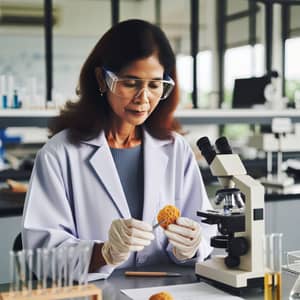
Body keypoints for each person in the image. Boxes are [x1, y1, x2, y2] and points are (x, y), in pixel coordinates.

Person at [22, 19, 216, 280]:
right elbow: (41, 255)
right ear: (103, 79)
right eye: (131, 83)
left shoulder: (175, 149)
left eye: (155, 85)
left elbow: (204, 230)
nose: (143, 98)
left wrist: (192, 245)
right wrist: (104, 253)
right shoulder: (60, 154)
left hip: (167, 291)